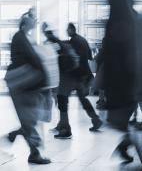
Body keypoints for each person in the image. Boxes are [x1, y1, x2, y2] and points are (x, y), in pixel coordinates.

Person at [103, 0, 142, 169]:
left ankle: (128, 149)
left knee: (120, 121)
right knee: (121, 121)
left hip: (119, 78)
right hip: (126, 77)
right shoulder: (126, 15)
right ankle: (138, 158)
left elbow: (113, 50)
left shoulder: (116, 15)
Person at [5, 16, 51, 164]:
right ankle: (34, 153)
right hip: (21, 81)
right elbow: (32, 58)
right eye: (31, 20)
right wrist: (44, 75)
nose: (34, 22)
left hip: (23, 82)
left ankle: (19, 135)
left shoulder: (24, 37)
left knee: (29, 118)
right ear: (24, 23)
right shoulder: (20, 37)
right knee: (28, 119)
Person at [53, 23, 102, 139]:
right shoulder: (82, 40)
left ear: (71, 29)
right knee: (82, 99)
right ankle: (95, 119)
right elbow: (89, 57)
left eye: (67, 29)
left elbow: (70, 57)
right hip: (84, 74)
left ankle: (64, 128)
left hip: (74, 74)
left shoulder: (74, 41)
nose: (66, 31)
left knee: (62, 98)